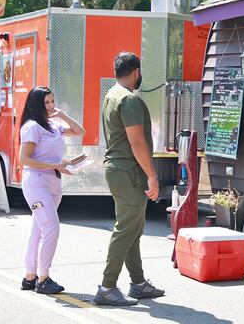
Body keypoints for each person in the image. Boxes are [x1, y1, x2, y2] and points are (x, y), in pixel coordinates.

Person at [93, 52, 164, 306]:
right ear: (136, 72)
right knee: (126, 229)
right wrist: (152, 175)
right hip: (129, 171)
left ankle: (138, 283)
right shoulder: (129, 99)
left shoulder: (111, 95)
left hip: (118, 169)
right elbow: (136, 142)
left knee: (133, 227)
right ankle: (107, 286)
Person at [19, 86, 86, 294]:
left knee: (38, 229)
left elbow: (80, 132)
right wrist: (55, 166)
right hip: (36, 182)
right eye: (46, 103)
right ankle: (43, 278)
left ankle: (30, 276)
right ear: (35, 104)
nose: (50, 106)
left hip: (54, 183)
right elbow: (24, 159)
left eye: (52, 101)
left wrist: (63, 114)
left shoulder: (54, 124)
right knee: (51, 229)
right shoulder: (31, 127)